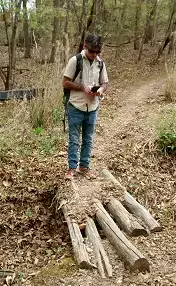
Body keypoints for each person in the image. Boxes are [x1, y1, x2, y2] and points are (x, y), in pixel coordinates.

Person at [63, 34, 109, 180]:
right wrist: (82, 88)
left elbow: (105, 83)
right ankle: (71, 169)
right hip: (76, 105)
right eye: (92, 51)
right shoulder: (75, 60)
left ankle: (84, 167)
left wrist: (100, 90)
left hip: (93, 107)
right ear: (85, 47)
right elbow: (65, 82)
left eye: (97, 52)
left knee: (88, 139)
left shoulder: (100, 63)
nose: (94, 55)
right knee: (74, 139)